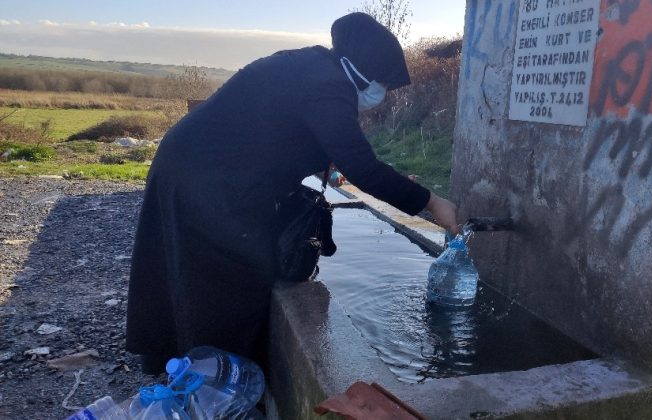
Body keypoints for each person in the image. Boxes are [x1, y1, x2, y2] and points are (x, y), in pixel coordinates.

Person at [125, 12, 459, 374]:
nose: (380, 92)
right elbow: (362, 166)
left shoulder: (314, 67)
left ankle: (175, 356)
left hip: (196, 162)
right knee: (231, 267)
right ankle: (222, 374)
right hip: (209, 175)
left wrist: (376, 178)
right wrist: (432, 202)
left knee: (186, 259)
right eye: (382, 81)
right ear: (365, 69)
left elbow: (280, 129)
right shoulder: (329, 87)